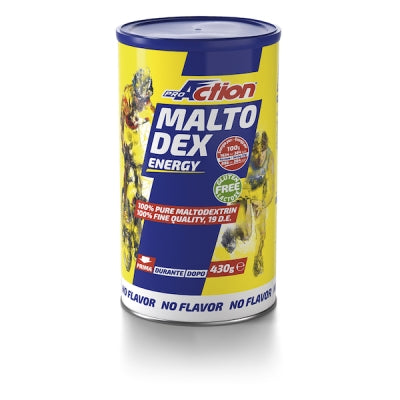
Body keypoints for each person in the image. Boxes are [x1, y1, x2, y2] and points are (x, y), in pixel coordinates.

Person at [221, 131, 275, 276]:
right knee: (246, 235)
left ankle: (258, 258)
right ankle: (232, 233)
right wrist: (249, 200)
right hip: (242, 194)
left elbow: (271, 186)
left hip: (259, 192)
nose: (259, 156)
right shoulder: (241, 156)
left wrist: (263, 203)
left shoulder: (269, 156)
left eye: (262, 151)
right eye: (256, 152)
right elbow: (233, 188)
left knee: (262, 233)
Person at [120, 68, 154, 272]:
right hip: (128, 155)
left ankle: (139, 242)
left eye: (144, 97)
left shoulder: (151, 112)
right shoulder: (127, 94)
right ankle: (128, 230)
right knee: (128, 192)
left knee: (142, 197)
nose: (140, 101)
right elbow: (124, 117)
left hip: (141, 162)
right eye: (138, 96)